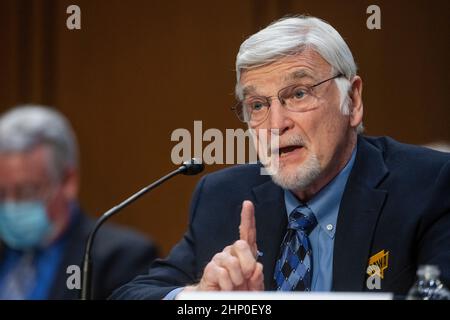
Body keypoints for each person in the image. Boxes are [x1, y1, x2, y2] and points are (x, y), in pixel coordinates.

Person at [110, 15, 450, 299]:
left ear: (353, 101)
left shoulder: (429, 186)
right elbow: (132, 294)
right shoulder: (224, 197)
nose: (276, 124)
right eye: (258, 105)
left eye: (298, 93)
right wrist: (202, 298)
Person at [0, 105, 158, 299]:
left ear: (68, 182)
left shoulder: (121, 258)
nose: (11, 204)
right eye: (1, 193)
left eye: (27, 191)